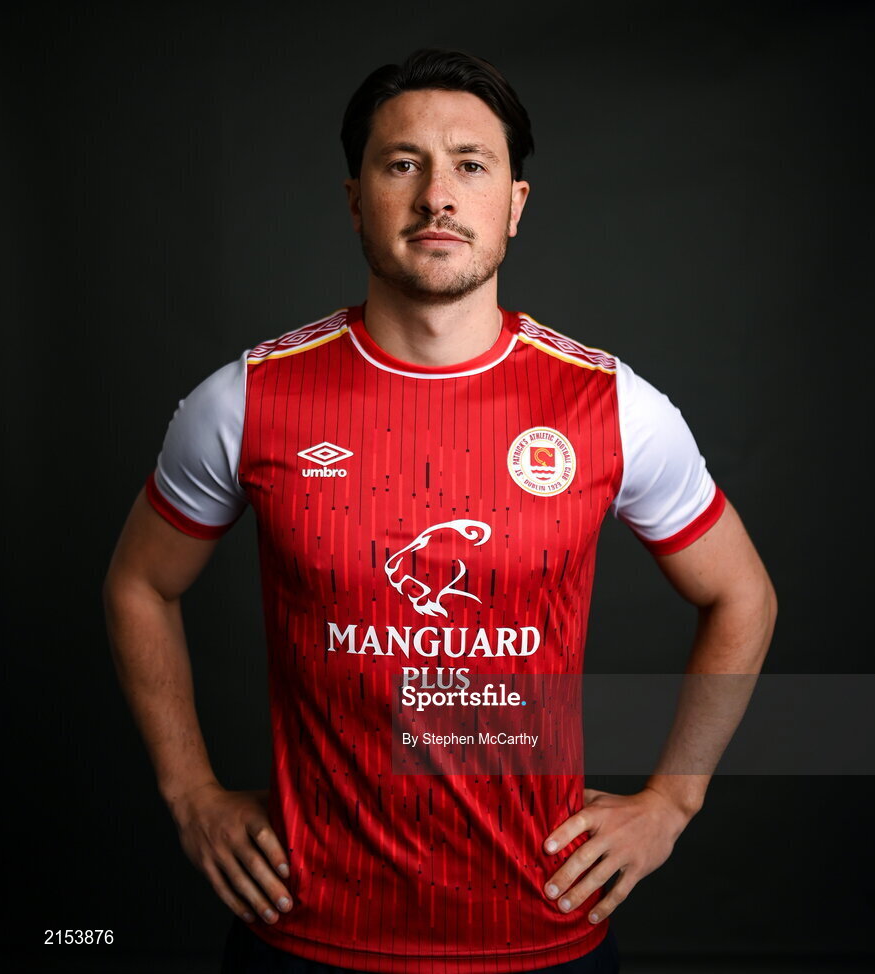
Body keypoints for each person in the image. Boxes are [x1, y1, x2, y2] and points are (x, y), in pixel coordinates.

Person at [103, 49, 777, 974]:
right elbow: (139, 584)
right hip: (304, 932)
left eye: (470, 164)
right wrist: (190, 794)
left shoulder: (612, 407)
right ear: (355, 200)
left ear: (515, 204)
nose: (437, 197)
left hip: (542, 933)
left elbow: (743, 595)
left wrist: (674, 799)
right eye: (402, 163)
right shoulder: (247, 401)